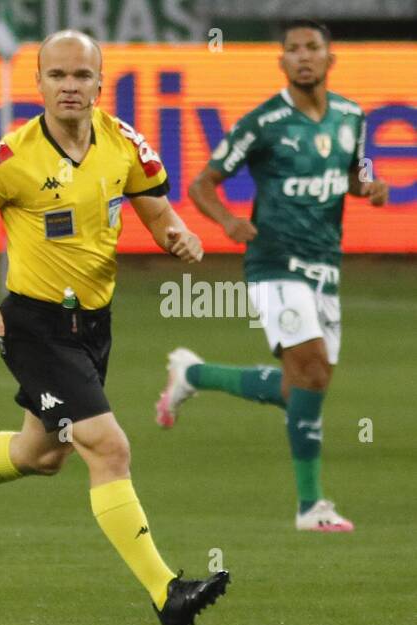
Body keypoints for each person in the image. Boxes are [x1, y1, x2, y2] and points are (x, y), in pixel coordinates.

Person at [0, 31, 229, 625]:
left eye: (82, 75)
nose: (70, 86)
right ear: (37, 83)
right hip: (35, 326)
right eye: (57, 75)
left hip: (94, 324)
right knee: (108, 445)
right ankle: (166, 591)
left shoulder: (126, 145)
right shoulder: (9, 160)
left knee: (41, 455)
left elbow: (155, 211)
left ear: (101, 83)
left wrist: (177, 234)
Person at [164, 19, 388, 532]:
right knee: (309, 369)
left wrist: (370, 187)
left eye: (313, 48)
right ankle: (311, 507)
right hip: (274, 263)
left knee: (303, 386)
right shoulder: (263, 123)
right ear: (281, 61)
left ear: (331, 59)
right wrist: (227, 221)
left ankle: (193, 374)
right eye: (293, 49)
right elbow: (203, 183)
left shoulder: (353, 116)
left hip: (324, 264)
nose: (304, 56)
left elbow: (354, 173)